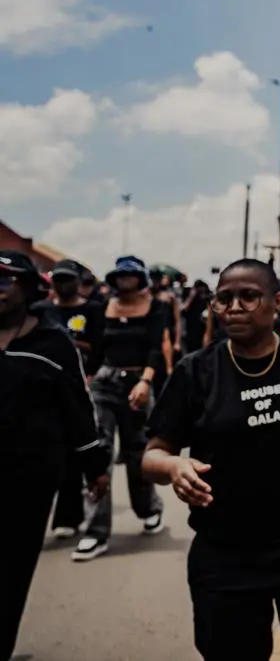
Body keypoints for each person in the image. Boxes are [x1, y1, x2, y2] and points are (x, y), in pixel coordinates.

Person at [142, 259, 280, 661]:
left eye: (248, 296)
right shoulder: (197, 372)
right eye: (224, 299)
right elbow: (153, 453)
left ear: (276, 302)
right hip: (225, 557)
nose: (235, 307)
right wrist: (174, 466)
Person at [0, 251, 109, 660]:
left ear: (28, 289)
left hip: (30, 475)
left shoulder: (52, 342)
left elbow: (77, 406)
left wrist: (94, 466)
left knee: (11, 570)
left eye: (5, 280)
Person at [74, 255, 168, 562]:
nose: (126, 282)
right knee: (99, 449)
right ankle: (95, 531)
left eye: (131, 276)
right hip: (105, 380)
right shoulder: (102, 307)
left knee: (137, 452)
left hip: (138, 381)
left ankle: (148, 508)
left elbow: (156, 347)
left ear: (140, 279)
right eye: (121, 276)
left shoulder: (156, 308)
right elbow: (97, 347)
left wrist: (145, 381)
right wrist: (88, 376)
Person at [36, 259, 106, 539]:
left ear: (78, 281)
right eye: (58, 280)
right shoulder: (41, 311)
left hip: (82, 383)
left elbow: (101, 346)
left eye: (68, 279)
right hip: (43, 388)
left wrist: (89, 372)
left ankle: (68, 515)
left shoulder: (92, 309)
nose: (63, 285)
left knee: (75, 449)